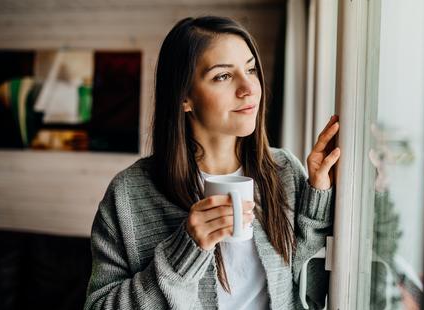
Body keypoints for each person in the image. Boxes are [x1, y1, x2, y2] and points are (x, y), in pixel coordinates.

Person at [84, 16, 341, 310]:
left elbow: (313, 295)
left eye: (251, 69)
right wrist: (185, 250)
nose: (249, 88)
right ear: (184, 97)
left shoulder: (284, 171)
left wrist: (318, 197)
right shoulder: (129, 193)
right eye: (223, 76)